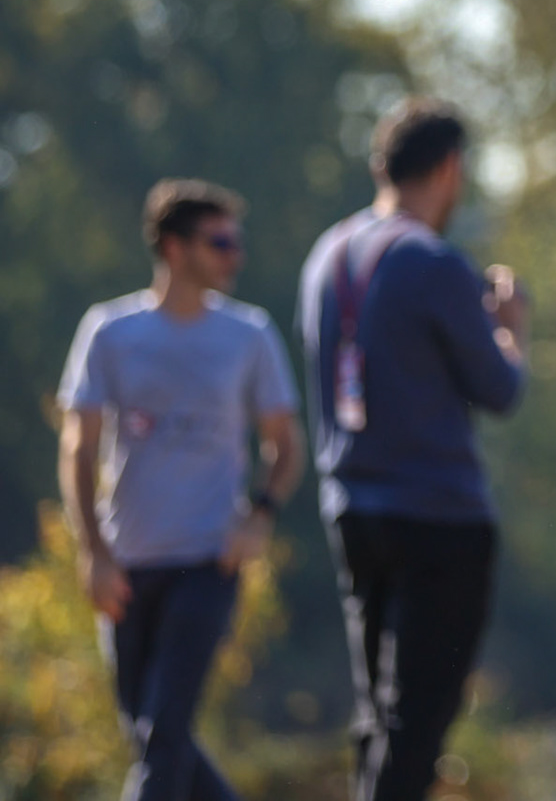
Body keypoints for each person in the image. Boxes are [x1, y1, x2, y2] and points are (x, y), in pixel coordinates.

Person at [298, 97, 529, 801]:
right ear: (450, 168)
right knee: (418, 722)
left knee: (377, 713)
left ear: (381, 165)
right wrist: (512, 330)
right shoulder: (433, 262)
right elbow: (498, 389)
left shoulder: (325, 256)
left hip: (351, 512)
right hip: (437, 521)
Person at [57, 179, 305, 801]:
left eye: (235, 241)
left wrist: (259, 517)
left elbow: (287, 444)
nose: (234, 255)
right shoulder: (110, 332)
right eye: (220, 241)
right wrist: (94, 552)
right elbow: (78, 449)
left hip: (206, 563)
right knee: (152, 737)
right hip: (127, 568)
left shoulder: (250, 336)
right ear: (174, 247)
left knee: (162, 733)